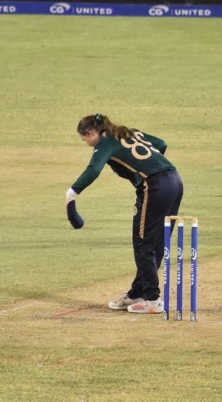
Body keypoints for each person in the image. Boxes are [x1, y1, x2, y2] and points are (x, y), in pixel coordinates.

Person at [65, 114, 184, 314]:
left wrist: (71, 194)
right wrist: (147, 167)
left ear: (91, 133)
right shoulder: (129, 132)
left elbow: (93, 169)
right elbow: (161, 144)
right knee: (155, 244)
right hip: (175, 181)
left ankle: (152, 299)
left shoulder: (104, 143)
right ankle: (138, 292)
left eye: (84, 138)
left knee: (143, 243)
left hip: (154, 187)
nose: (84, 142)